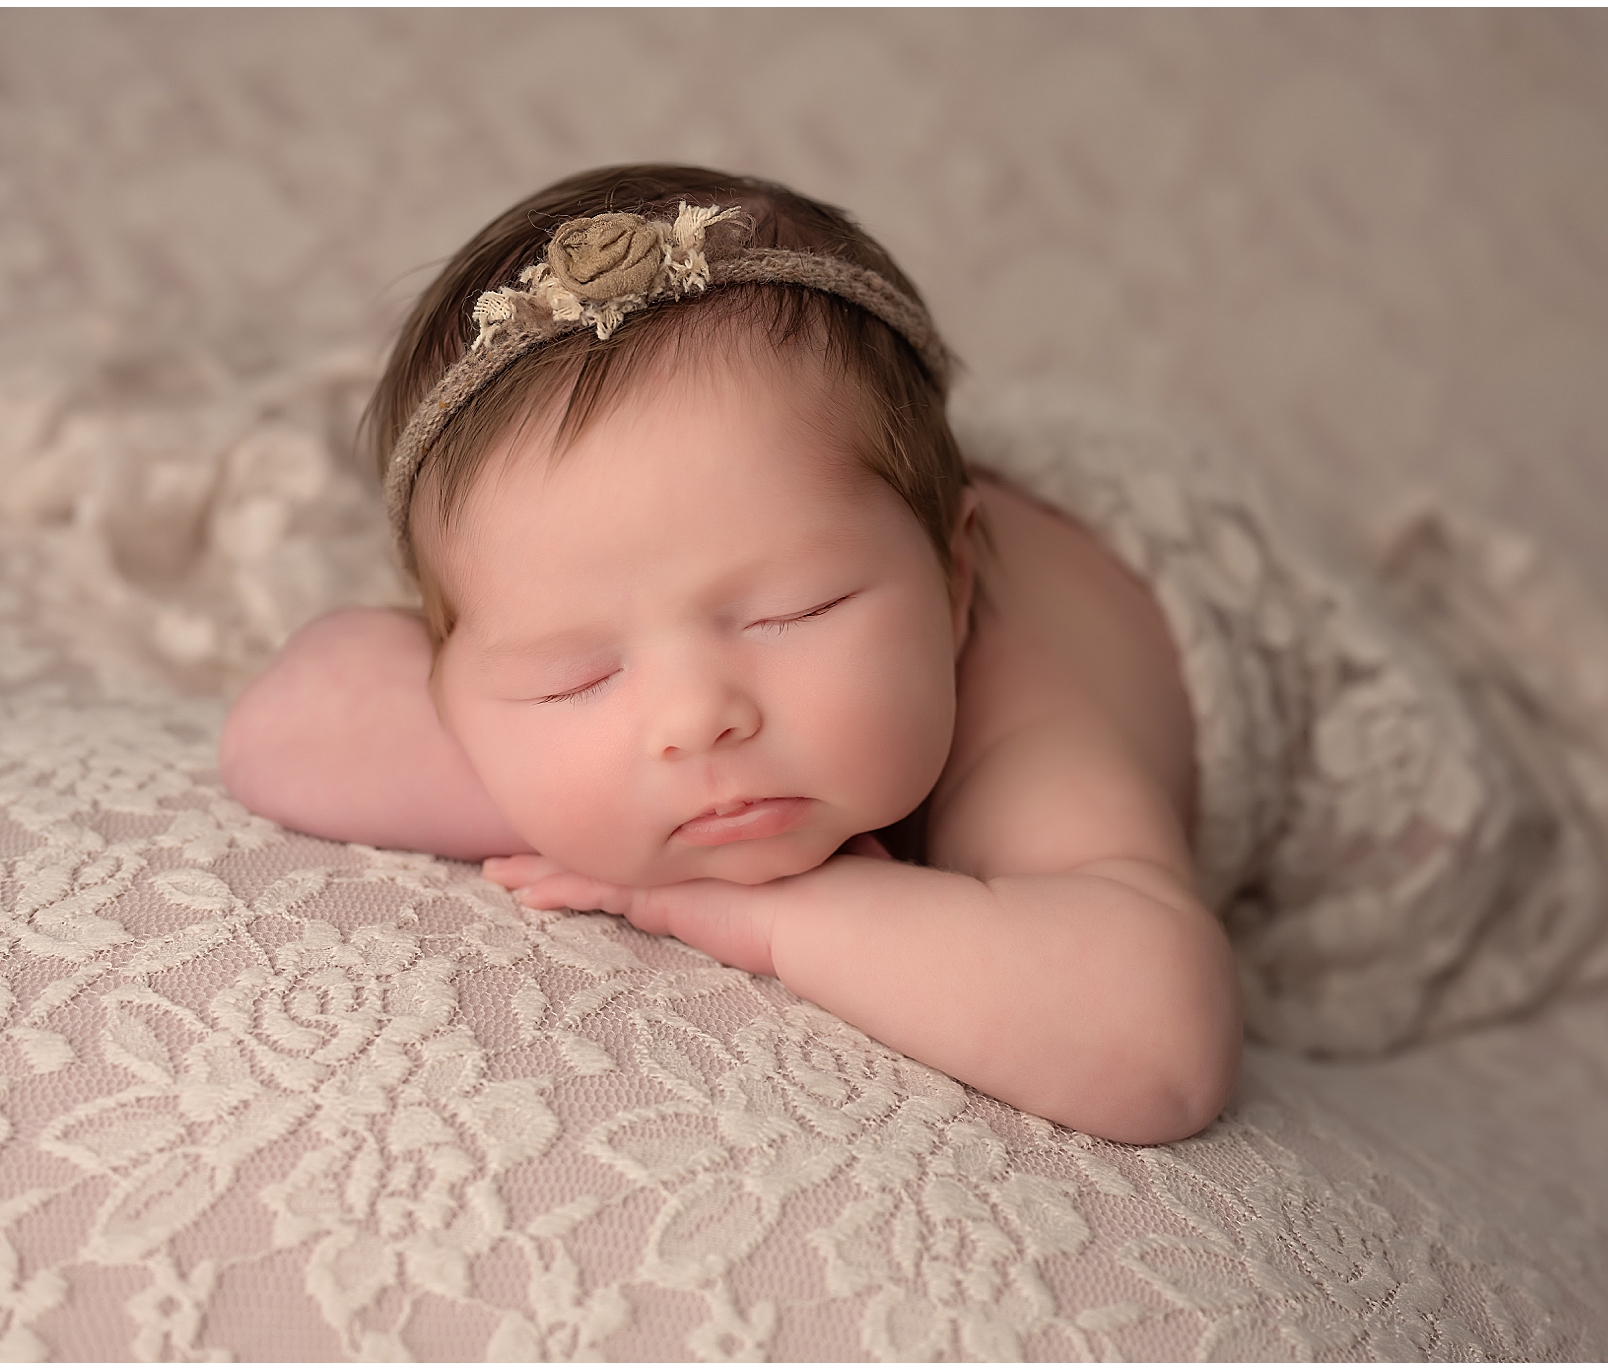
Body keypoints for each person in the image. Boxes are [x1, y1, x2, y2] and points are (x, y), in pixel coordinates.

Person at [219, 165, 1242, 1146]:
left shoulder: (1026, 720)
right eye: (575, 675)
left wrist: (758, 910)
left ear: (953, 581)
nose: (693, 716)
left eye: (792, 613)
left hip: (1184, 584)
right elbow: (283, 730)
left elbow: (1155, 1043)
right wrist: (584, 808)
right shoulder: (601, 599)